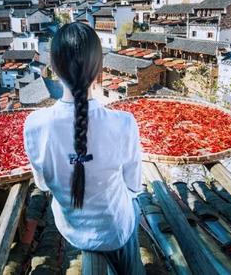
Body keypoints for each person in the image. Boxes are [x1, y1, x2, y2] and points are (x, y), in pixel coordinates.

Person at [24, 22, 145, 275]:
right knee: (132, 207)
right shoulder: (124, 123)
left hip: (73, 229)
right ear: (99, 69)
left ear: (54, 68)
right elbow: (134, 186)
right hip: (115, 229)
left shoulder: (35, 125)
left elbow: (43, 185)